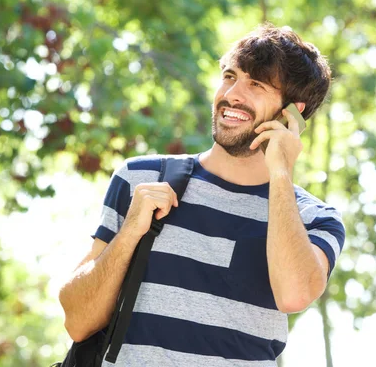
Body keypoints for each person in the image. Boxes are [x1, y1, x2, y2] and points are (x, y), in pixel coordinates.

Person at [58, 23, 346, 366]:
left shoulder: (313, 218)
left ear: (292, 114)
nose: (232, 94)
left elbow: (295, 294)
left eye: (255, 84)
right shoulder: (140, 179)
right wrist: (130, 232)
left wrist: (281, 171)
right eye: (229, 76)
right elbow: (77, 322)